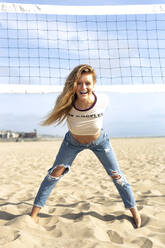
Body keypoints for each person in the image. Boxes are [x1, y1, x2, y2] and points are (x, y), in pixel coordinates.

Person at [30, 64, 141, 228]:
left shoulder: (103, 100)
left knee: (117, 176)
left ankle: (135, 213)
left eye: (87, 83)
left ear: (93, 85)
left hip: (99, 142)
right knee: (53, 174)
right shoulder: (66, 101)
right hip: (72, 143)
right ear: (74, 85)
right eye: (79, 83)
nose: (83, 87)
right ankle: (33, 215)